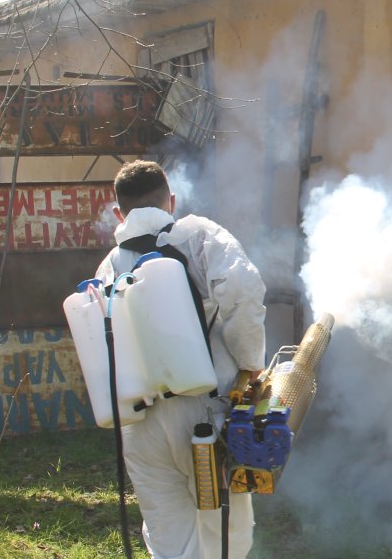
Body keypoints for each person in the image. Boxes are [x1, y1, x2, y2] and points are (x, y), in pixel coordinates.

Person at [95, 159, 265, 559]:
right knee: (226, 535)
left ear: (119, 213)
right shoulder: (199, 235)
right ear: (170, 201)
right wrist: (249, 363)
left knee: (170, 542)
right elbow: (243, 289)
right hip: (207, 414)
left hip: (141, 425)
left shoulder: (108, 267)